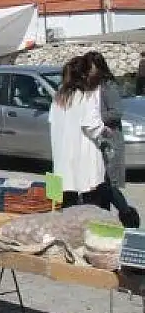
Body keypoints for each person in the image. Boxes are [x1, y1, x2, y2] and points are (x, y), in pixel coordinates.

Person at [87, 51, 140, 227]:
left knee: (107, 184)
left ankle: (127, 215)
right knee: (100, 185)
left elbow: (116, 112)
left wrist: (95, 118)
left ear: (98, 67)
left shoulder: (108, 85)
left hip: (110, 141)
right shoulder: (90, 86)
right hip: (97, 141)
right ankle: (106, 221)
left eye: (91, 67)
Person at [50, 56, 111, 208]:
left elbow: (52, 122)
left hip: (62, 155)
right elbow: (90, 124)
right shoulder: (85, 96)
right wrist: (104, 130)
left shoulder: (59, 97)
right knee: (90, 199)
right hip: (83, 156)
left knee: (67, 199)